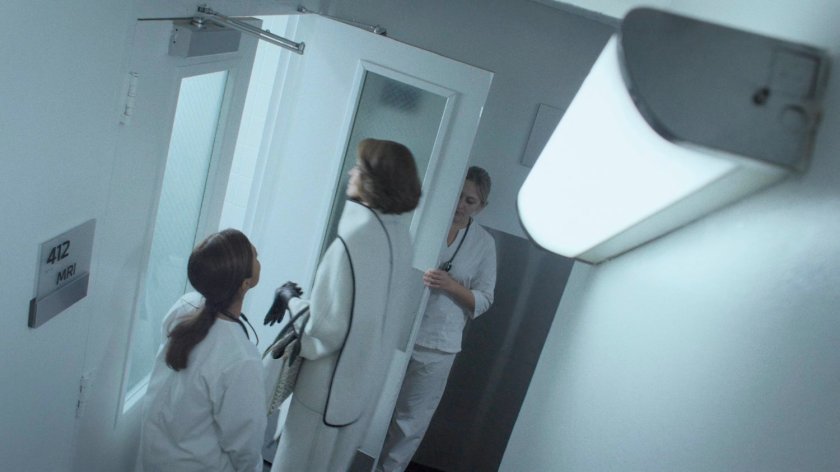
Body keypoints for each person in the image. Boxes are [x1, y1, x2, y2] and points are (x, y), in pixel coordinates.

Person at [271, 138, 423, 472]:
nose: (351, 172)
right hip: (360, 388)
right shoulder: (399, 239)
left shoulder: (353, 240)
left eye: (359, 167)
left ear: (373, 181)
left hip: (324, 390)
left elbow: (321, 335)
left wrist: (290, 300)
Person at [377, 166, 497, 472]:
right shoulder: (426, 220)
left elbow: (485, 299)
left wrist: (451, 285)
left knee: (409, 423)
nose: (460, 205)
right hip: (396, 334)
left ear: (481, 207)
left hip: (438, 348)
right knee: (373, 409)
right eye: (459, 195)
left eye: (470, 201)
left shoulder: (484, 244)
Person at [137, 229, 266, 472]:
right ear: (245, 284)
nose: (256, 251)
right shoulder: (241, 359)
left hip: (155, 456)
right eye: (252, 253)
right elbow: (245, 448)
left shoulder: (184, 307)